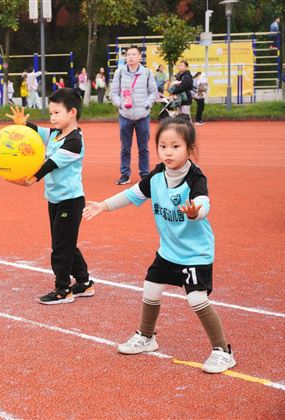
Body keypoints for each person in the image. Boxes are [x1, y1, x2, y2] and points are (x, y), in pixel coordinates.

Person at [83, 116, 236, 374]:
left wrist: (194, 211)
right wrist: (103, 206)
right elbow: (133, 194)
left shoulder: (195, 178)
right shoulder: (156, 176)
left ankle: (223, 351)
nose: (168, 152)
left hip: (195, 254)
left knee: (197, 299)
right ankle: (146, 337)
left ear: (190, 149)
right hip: (168, 251)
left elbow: (203, 204)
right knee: (151, 289)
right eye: (163, 146)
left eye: (175, 146)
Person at [5, 89, 94, 305]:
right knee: (66, 243)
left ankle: (63, 289)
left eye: (56, 113)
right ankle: (84, 283)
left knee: (60, 247)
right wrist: (24, 124)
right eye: (51, 113)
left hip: (71, 201)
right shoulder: (56, 133)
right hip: (55, 199)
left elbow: (49, 165)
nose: (52, 117)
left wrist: (31, 179)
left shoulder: (74, 141)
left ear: (72, 112)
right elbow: (38, 132)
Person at [110, 45, 158, 185]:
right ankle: (125, 174)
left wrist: (147, 104)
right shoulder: (119, 73)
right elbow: (113, 93)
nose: (130, 57)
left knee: (143, 148)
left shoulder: (147, 73)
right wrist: (119, 103)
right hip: (125, 116)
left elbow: (153, 92)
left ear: (139, 57)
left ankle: (144, 174)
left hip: (143, 116)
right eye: (128, 54)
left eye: (133, 54)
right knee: (125, 148)